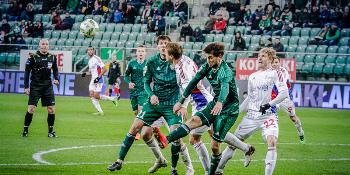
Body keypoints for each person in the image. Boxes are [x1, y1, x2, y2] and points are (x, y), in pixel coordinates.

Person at [165, 42, 255, 175]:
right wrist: (181, 102)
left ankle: (215, 169)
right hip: (213, 103)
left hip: (228, 110)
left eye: (211, 57)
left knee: (214, 145)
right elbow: (193, 82)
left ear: (220, 56)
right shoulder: (207, 66)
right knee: (194, 124)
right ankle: (166, 139)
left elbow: (225, 88)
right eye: (207, 57)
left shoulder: (226, 71)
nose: (208, 60)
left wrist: (220, 102)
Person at [108, 36, 193, 175]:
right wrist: (152, 95)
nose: (164, 46)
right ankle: (120, 160)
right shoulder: (151, 62)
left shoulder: (178, 62)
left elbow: (186, 84)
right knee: (141, 131)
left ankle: (188, 167)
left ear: (170, 46)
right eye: (161, 44)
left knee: (176, 136)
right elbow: (146, 82)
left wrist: (183, 104)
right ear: (157, 46)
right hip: (155, 103)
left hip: (172, 105)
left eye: (166, 43)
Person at [215, 48, 289, 175]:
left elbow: (284, 93)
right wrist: (236, 111)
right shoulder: (252, 76)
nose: (259, 58)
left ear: (271, 59)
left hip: (268, 116)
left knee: (272, 142)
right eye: (259, 56)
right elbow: (249, 98)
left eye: (264, 56)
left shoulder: (276, 73)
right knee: (233, 143)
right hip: (251, 116)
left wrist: (268, 105)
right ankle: (218, 170)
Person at [165, 42, 213, 174]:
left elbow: (188, 87)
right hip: (201, 101)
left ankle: (244, 148)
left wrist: (182, 105)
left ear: (171, 56)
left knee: (211, 138)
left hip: (202, 102)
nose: (165, 56)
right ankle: (211, 171)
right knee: (203, 138)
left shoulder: (181, 68)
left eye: (166, 54)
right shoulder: (186, 59)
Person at [22, 39, 59, 138]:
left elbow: (55, 70)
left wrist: (56, 78)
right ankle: (25, 130)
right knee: (31, 108)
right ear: (39, 46)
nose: (45, 45)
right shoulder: (32, 57)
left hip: (47, 86)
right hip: (35, 86)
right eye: (43, 44)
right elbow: (26, 73)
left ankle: (50, 132)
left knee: (51, 109)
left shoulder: (52, 57)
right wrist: (26, 87)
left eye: (46, 44)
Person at [271, 56, 305, 143]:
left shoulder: (283, 71)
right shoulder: (269, 72)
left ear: (280, 63)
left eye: (276, 62)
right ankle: (272, 138)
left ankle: (300, 132)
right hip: (274, 98)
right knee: (272, 116)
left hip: (285, 98)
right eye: (273, 63)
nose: (275, 64)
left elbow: (281, 84)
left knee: (293, 118)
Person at [84, 46, 118, 116]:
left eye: (91, 50)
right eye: (88, 50)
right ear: (87, 51)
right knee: (91, 95)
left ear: (93, 51)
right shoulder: (89, 61)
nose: (90, 51)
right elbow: (90, 72)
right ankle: (100, 111)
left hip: (98, 79)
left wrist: (98, 77)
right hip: (93, 80)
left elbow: (105, 68)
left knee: (96, 96)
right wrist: (85, 73)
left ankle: (112, 99)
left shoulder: (97, 58)